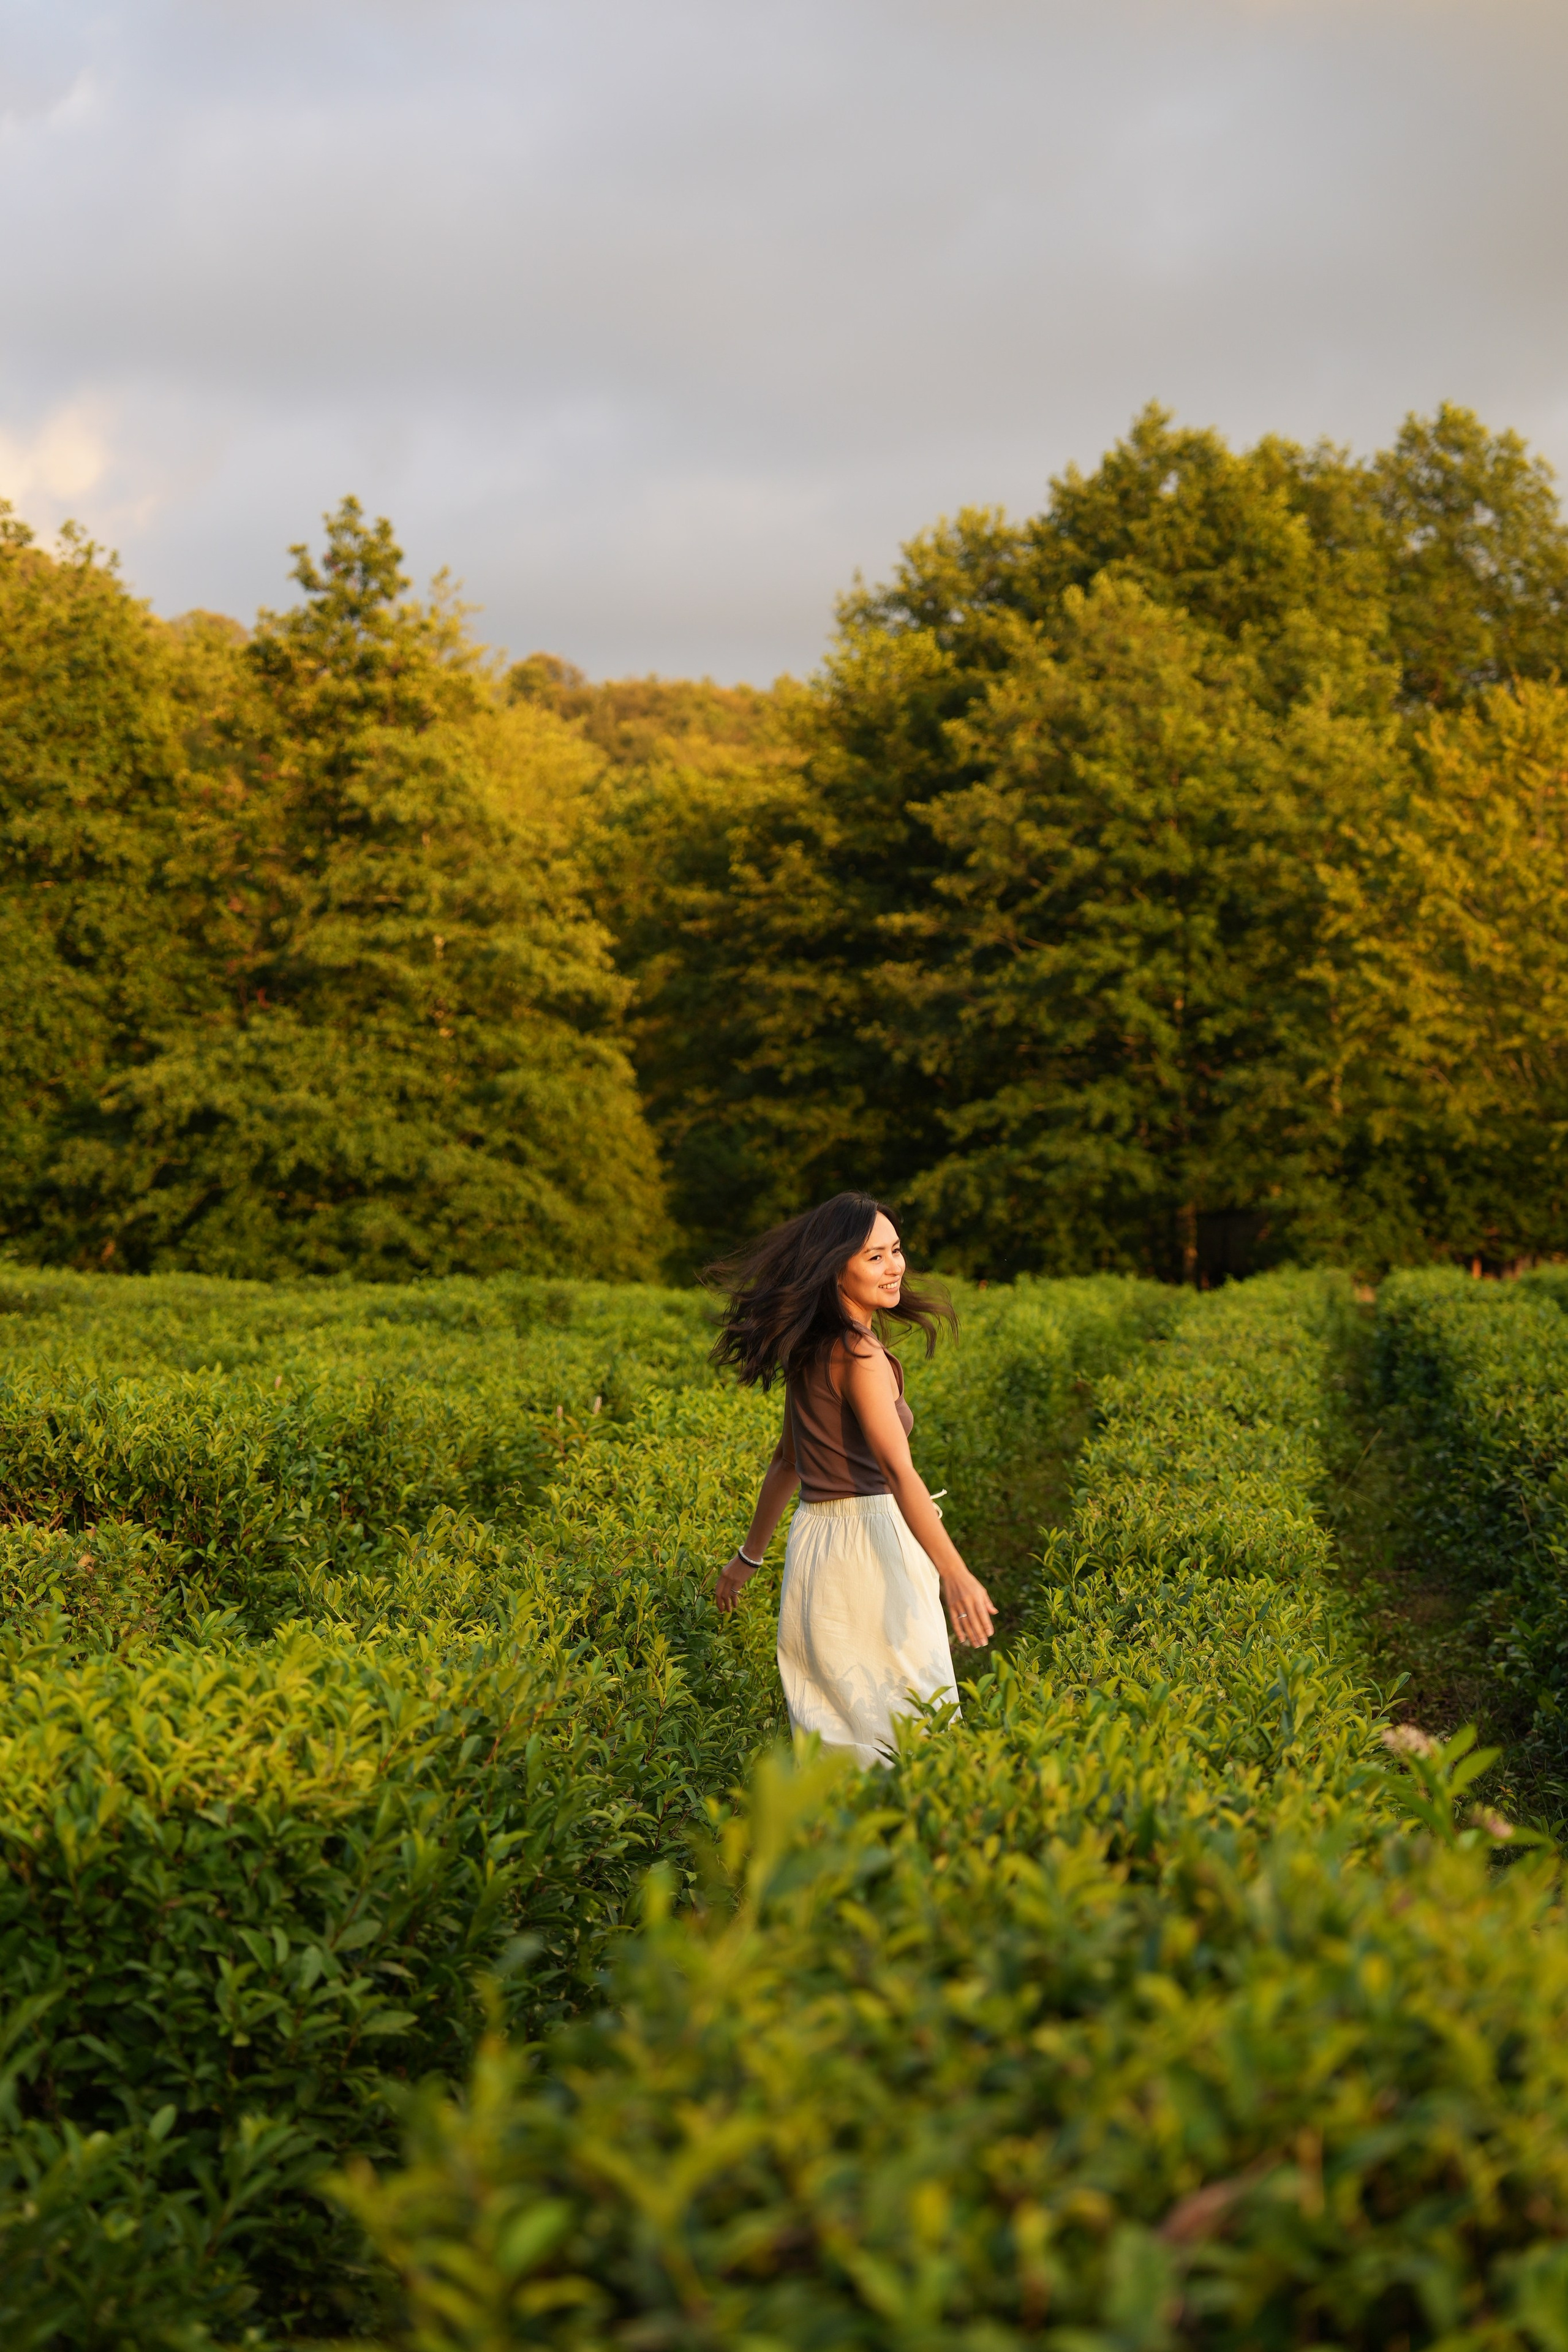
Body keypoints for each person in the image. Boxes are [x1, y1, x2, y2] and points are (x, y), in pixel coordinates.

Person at [710, 1192, 997, 1767]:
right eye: (874, 1257)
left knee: (834, 1729)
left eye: (896, 1251)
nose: (894, 1268)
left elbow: (787, 1463)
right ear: (835, 1265)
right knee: (911, 1727)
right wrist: (955, 1572)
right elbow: (896, 1470)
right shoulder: (859, 1353)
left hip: (815, 1547)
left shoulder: (812, 1345)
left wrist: (750, 1556)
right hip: (871, 1544)